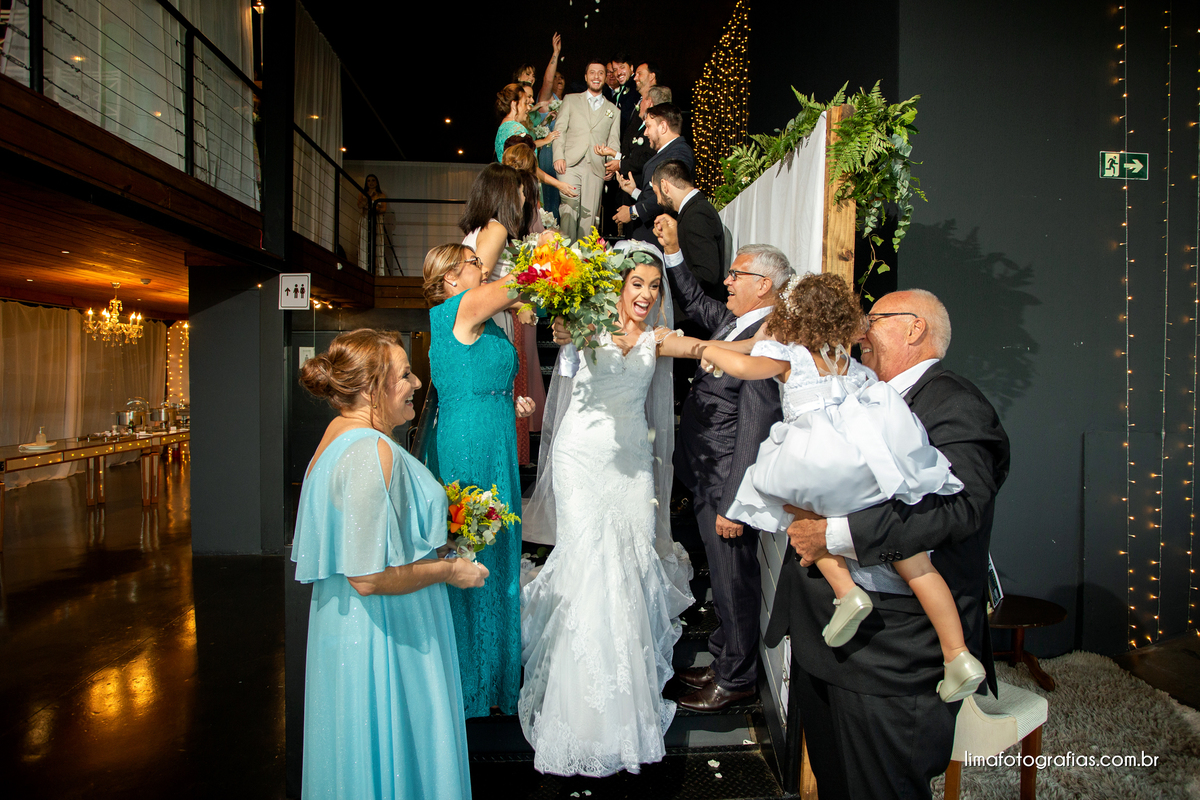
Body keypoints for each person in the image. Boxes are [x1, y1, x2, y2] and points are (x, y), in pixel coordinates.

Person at [693, 274, 986, 702]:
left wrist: (705, 348)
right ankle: (958, 654)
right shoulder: (853, 366)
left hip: (815, 460)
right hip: (861, 467)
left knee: (794, 500)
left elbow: (743, 365)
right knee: (919, 567)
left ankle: (847, 592)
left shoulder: (793, 356)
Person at [767, 289, 1010, 800]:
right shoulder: (854, 390)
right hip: (826, 641)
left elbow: (958, 509)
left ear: (913, 328)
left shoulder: (955, 401)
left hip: (891, 652)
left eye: (872, 319)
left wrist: (834, 535)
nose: (860, 331)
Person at [520, 242, 695, 777]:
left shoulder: (660, 337)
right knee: (591, 565)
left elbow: (706, 350)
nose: (645, 294)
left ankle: (627, 699)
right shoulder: (583, 325)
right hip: (580, 457)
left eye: (653, 286)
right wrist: (561, 321)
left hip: (630, 463)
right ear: (616, 286)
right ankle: (579, 714)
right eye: (636, 284)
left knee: (632, 559)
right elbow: (547, 316)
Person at [292, 328, 489, 798]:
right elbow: (367, 575)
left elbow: (371, 540)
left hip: (361, 628)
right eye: (404, 375)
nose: (417, 383)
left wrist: (434, 546)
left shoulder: (339, 434)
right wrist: (450, 570)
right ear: (370, 388)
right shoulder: (367, 450)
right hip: (383, 635)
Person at [653, 215, 788, 712]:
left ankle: (736, 680)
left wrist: (734, 504)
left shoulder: (770, 338)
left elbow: (756, 427)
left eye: (735, 275)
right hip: (707, 474)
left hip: (729, 485)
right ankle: (722, 658)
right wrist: (672, 253)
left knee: (734, 582)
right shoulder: (739, 321)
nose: (726, 281)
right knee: (724, 582)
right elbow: (696, 302)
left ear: (764, 286)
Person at [421, 243, 537, 718]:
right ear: (449, 277)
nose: (481, 267)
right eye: (472, 263)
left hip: (494, 441)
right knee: (474, 551)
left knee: (500, 548)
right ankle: (469, 682)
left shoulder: (483, 321)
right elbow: (525, 284)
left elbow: (481, 381)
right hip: (467, 448)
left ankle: (496, 681)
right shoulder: (458, 307)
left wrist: (510, 404)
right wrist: (551, 258)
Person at [551, 59, 621, 242]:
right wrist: (558, 156)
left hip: (596, 167)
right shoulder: (571, 100)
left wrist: (611, 166)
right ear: (586, 76)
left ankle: (584, 263)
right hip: (569, 164)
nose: (596, 77)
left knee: (589, 219)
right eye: (592, 72)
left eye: (600, 73)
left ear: (605, 78)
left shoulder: (613, 110)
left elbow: (613, 141)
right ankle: (564, 261)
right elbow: (559, 131)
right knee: (568, 211)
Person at [596, 86, 671, 238]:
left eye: (642, 100)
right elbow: (633, 152)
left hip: (644, 194)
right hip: (633, 191)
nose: (639, 104)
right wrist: (614, 154)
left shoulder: (659, 136)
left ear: (649, 103)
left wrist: (621, 164)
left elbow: (644, 158)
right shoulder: (638, 122)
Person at [614, 103, 694, 244]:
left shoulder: (680, 152)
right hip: (652, 232)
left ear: (663, 127)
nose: (645, 133)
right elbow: (656, 196)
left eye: (648, 126)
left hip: (660, 234)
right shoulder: (668, 152)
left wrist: (633, 211)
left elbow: (670, 195)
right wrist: (634, 191)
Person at [650, 159, 724, 300]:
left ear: (664, 186)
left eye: (656, 192)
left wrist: (666, 283)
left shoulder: (697, 213)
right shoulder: (692, 211)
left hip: (696, 315)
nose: (658, 201)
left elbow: (707, 274)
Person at [357, 173, 387, 275]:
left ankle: (378, 271)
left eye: (373, 180)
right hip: (366, 219)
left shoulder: (381, 195)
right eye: (369, 181)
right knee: (364, 242)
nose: (371, 183)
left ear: (376, 182)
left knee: (377, 243)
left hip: (377, 220)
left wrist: (374, 207)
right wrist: (368, 198)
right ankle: (363, 268)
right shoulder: (363, 194)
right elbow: (360, 205)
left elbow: (383, 209)